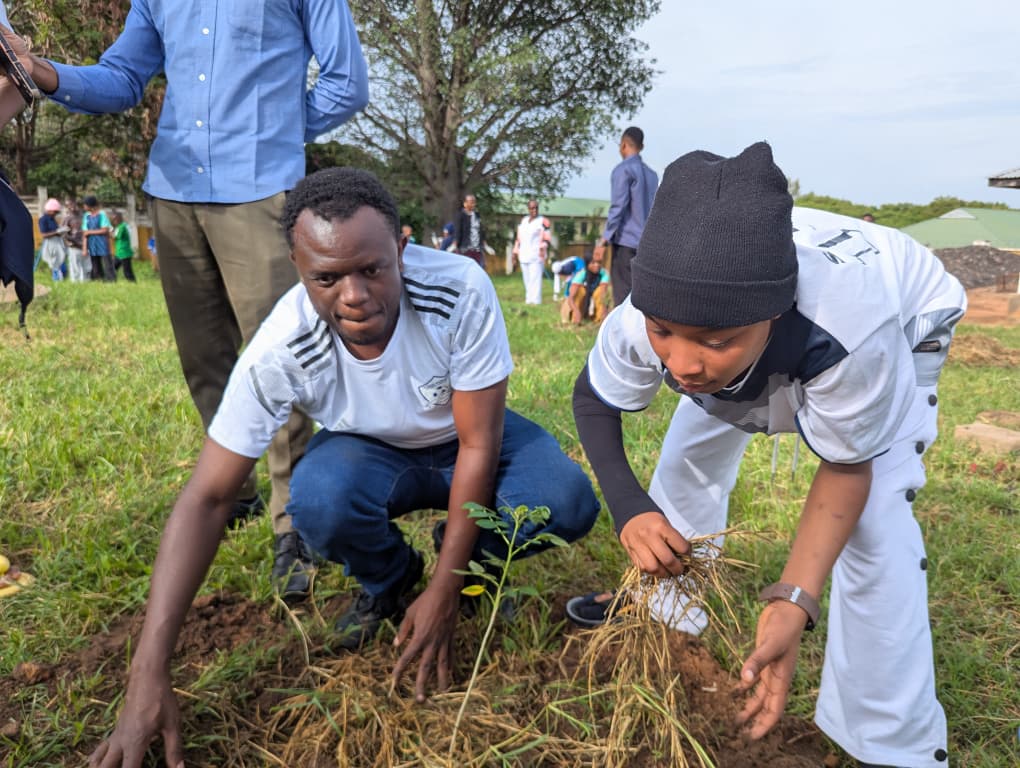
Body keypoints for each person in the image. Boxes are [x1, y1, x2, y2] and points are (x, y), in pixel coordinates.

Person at [86, 168, 600, 768]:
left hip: (469, 437)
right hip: (370, 450)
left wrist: (449, 584)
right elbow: (208, 498)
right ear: (298, 266)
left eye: (372, 270)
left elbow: (479, 445)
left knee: (564, 499)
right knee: (317, 500)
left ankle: (468, 568)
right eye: (326, 278)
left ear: (401, 249)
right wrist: (147, 671)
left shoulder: (458, 288)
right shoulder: (282, 347)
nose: (353, 295)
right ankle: (392, 582)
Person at [565, 143, 963, 768]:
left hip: (908, 309)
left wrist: (794, 597)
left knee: (876, 520)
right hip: (769, 327)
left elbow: (848, 467)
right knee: (688, 451)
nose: (682, 364)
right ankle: (669, 615)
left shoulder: (852, 331)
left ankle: (890, 741)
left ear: (772, 315)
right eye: (663, 333)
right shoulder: (649, 310)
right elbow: (594, 399)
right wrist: (630, 509)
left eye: (714, 340)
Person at [1, 1, 369, 601]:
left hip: (261, 191)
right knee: (204, 360)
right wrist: (39, 70)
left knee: (280, 361)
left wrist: (271, 126)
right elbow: (123, 78)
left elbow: (347, 84)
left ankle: (295, 523)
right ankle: (236, 489)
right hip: (173, 192)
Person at [593, 126, 658, 306]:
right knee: (642, 297)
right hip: (646, 245)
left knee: (622, 297)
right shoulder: (652, 175)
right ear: (641, 146)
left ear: (623, 145)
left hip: (625, 243)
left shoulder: (623, 170)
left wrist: (603, 240)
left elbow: (618, 207)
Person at [512, 199, 551, 304]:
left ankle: (536, 301)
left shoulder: (543, 221)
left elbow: (547, 238)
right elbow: (518, 239)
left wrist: (543, 247)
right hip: (524, 254)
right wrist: (515, 253)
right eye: (532, 208)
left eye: (536, 208)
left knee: (535, 279)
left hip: (537, 255)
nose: (534, 210)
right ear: (528, 209)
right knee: (527, 279)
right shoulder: (523, 221)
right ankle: (529, 300)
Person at [560, 254, 609, 325]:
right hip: (579, 305)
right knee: (580, 291)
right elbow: (571, 298)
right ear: (587, 264)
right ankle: (574, 318)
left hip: (594, 301)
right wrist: (576, 311)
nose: (597, 265)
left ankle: (599, 319)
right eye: (593, 263)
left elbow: (603, 295)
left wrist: (604, 311)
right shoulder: (581, 274)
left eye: (599, 262)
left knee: (599, 292)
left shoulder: (603, 273)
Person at [82, 195, 115, 282]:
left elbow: (105, 230)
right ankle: (99, 279)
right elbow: (85, 233)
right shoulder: (86, 216)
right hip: (92, 243)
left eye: (85, 205)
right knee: (95, 263)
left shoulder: (102, 215)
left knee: (107, 263)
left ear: (90, 205)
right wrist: (84, 248)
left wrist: (90, 232)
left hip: (102, 242)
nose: (84, 207)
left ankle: (111, 280)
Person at [453, 193, 486, 269]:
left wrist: (484, 243)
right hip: (465, 248)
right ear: (465, 203)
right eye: (471, 202)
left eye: (474, 202)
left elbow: (481, 230)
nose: (473, 204)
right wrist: (455, 244)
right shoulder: (461, 215)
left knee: (478, 268)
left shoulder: (477, 215)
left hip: (477, 248)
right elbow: (458, 231)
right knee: (466, 268)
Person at [38, 197, 67, 281]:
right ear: (50, 210)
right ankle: (56, 279)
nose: (56, 214)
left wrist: (61, 231)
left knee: (60, 260)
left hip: (57, 242)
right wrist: (57, 232)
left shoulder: (52, 219)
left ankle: (62, 277)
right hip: (50, 244)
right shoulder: (43, 220)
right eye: (55, 212)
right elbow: (44, 234)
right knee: (54, 262)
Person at [62, 198, 89, 282]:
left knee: (86, 267)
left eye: (72, 205)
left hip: (85, 245)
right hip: (74, 246)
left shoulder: (85, 216)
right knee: (75, 267)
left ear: (76, 204)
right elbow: (63, 232)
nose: (71, 207)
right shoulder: (67, 218)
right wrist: (67, 241)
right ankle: (75, 284)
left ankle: (86, 283)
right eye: (68, 206)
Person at [110, 210, 136, 282]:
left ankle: (132, 283)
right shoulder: (119, 226)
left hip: (125, 253)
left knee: (127, 271)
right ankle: (111, 281)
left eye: (115, 219)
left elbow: (115, 237)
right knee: (113, 267)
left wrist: (109, 233)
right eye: (113, 219)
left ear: (119, 218)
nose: (113, 221)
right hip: (119, 253)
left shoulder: (122, 227)